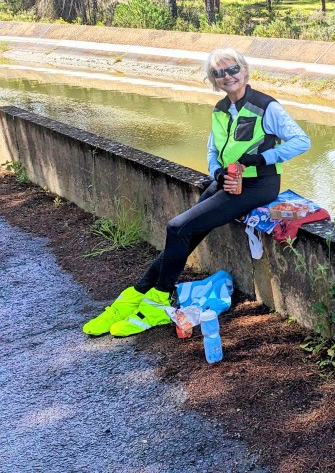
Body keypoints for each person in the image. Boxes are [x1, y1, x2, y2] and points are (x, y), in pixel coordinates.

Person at [83, 47, 311, 337]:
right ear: (213, 79)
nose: (227, 76)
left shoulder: (267, 107)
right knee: (184, 234)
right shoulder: (221, 109)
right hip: (228, 180)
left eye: (232, 70)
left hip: (258, 185)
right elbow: (213, 149)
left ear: (244, 71)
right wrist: (217, 172)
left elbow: (302, 141)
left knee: (176, 227)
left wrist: (259, 159)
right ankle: (132, 298)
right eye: (219, 73)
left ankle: (157, 303)